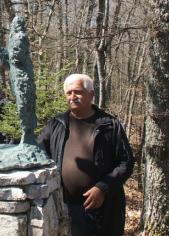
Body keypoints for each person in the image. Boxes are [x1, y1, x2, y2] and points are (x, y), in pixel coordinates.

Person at [37, 74, 135, 236]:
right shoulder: (57, 123)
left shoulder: (109, 125)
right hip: (64, 205)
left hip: (100, 209)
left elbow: (126, 162)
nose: (72, 97)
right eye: (69, 93)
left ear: (91, 94)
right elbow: (38, 150)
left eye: (78, 92)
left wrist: (103, 189)